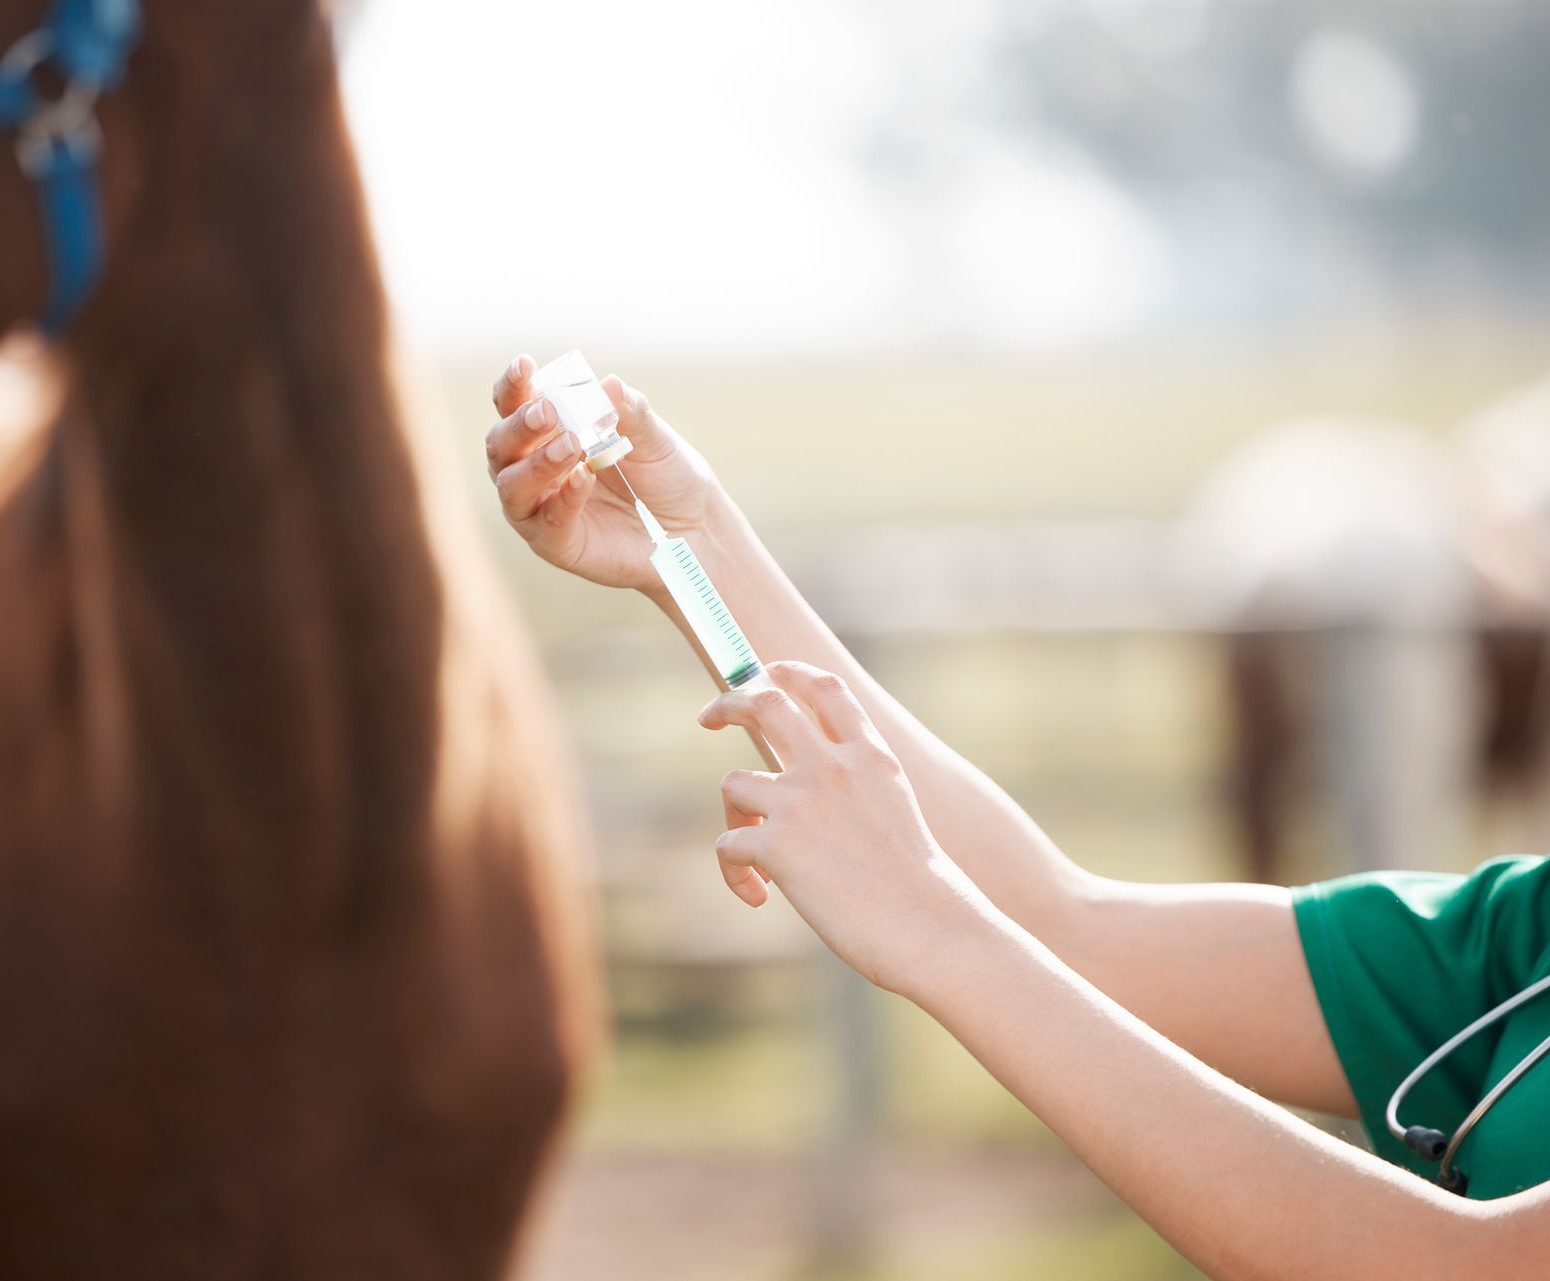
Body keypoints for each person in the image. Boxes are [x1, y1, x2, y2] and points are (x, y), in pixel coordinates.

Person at [482, 357, 1550, 1277]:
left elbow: (1454, 1266)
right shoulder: (1522, 936)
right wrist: (689, 545)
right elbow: (1067, 924)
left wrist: (929, 925)